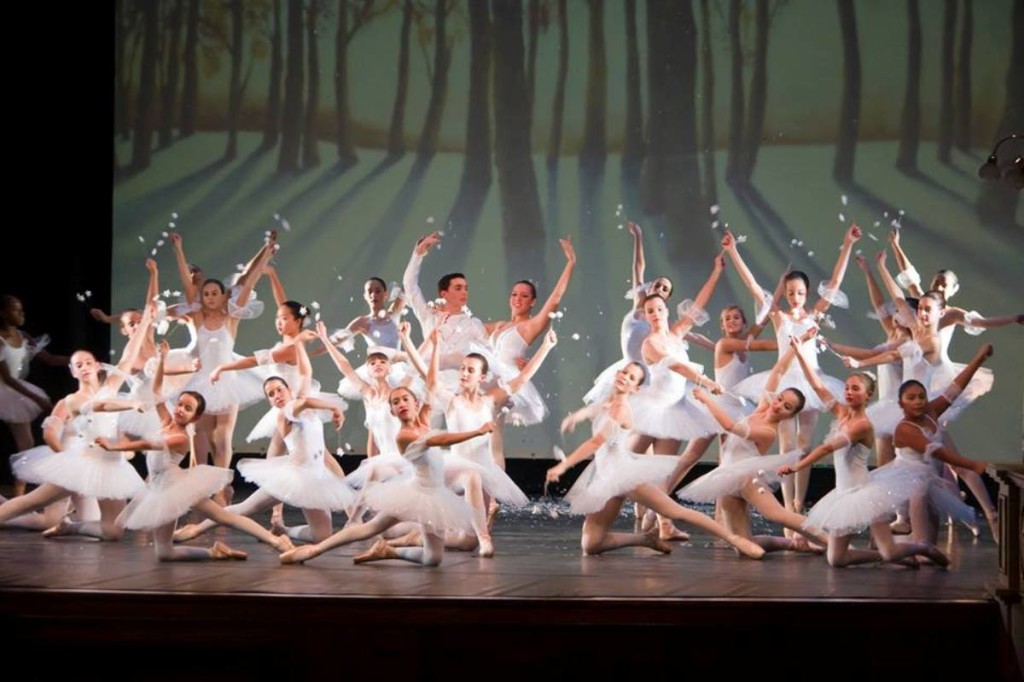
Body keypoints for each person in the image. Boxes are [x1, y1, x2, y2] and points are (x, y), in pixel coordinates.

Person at [546, 362, 765, 560]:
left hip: (623, 475)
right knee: (591, 544)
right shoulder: (608, 403)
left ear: (636, 389)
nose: (624, 377)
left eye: (632, 378)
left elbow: (595, 443)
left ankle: (736, 539)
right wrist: (576, 416)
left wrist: (564, 465)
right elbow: (595, 409)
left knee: (675, 512)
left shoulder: (621, 409)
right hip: (605, 477)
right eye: (624, 372)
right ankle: (645, 539)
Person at [103, 342, 293, 559]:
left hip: (178, 486)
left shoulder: (181, 437)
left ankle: (276, 541)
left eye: (188, 408)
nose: (181, 410)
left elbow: (147, 445)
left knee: (223, 517)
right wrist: (163, 359)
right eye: (181, 405)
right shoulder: (166, 421)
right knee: (164, 553)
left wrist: (116, 446)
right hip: (159, 489)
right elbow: (156, 392)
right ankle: (216, 553)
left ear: (195, 417)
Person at [725, 225, 861, 525]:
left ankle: (800, 503)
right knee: (786, 447)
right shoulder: (778, 315)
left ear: (807, 293)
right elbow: (752, 285)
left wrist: (847, 244)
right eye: (790, 292)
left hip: (812, 382)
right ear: (785, 294)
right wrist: (734, 251)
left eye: (800, 292)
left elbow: (836, 283)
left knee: (805, 446)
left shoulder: (815, 315)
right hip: (786, 383)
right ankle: (788, 509)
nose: (795, 297)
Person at [279, 385, 493, 567]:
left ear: (416, 404)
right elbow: (441, 440)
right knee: (369, 528)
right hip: (413, 494)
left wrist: (435, 342)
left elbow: (431, 380)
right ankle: (315, 550)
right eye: (395, 402)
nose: (401, 404)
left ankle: (388, 551)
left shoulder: (424, 423)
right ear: (392, 412)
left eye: (405, 399)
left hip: (434, 495)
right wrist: (477, 431)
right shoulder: (405, 436)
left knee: (433, 559)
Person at [777, 339, 947, 568]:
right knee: (836, 559)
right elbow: (817, 386)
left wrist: (797, 466)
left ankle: (924, 548)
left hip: (865, 494)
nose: (848, 392)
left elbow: (828, 448)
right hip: (844, 494)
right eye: (847, 388)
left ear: (868, 395)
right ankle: (898, 559)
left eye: (855, 389)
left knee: (889, 551)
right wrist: (799, 353)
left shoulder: (863, 425)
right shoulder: (840, 413)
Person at [677, 335, 830, 553]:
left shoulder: (767, 432)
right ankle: (794, 544)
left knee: (776, 514)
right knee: (743, 546)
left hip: (747, 479)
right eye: (780, 399)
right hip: (728, 479)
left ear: (790, 415)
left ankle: (831, 541)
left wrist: (707, 399)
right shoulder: (761, 409)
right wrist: (793, 350)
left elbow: (731, 426)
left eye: (786, 407)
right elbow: (777, 372)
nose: (778, 406)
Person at [172, 232, 276, 503]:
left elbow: (249, 279)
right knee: (200, 439)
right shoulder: (196, 317)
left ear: (222, 295)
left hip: (228, 381)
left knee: (222, 439)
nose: (209, 297)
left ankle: (221, 489)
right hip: (200, 383)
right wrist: (179, 249)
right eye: (206, 294)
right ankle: (199, 488)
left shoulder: (231, 316)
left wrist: (266, 251)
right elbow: (186, 282)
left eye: (214, 293)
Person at [0, 350, 140, 539]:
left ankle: (69, 527)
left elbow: (127, 359)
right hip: (79, 462)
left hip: (107, 468)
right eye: (79, 365)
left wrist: (145, 322)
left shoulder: (110, 390)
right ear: (72, 372)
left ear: (98, 366)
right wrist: (64, 459)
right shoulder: (72, 400)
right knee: (32, 503)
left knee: (113, 531)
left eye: (88, 363)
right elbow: (51, 432)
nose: (84, 368)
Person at [892, 344, 993, 548]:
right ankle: (904, 551)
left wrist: (979, 359)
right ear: (901, 404)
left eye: (921, 396)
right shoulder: (904, 429)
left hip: (931, 482)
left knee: (929, 542)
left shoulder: (931, 411)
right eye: (911, 398)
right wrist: (971, 464)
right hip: (914, 485)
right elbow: (937, 451)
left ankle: (918, 551)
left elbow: (955, 389)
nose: (918, 402)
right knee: (922, 545)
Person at [0, 294, 67, 496]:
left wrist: (78, 359)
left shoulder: (25, 336)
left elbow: (50, 359)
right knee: (25, 444)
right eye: (15, 309)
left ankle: (18, 494)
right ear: (3, 313)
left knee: (26, 444)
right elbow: (9, 380)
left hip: (15, 391)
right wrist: (36, 397)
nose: (21, 313)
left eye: (21, 309)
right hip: (6, 389)